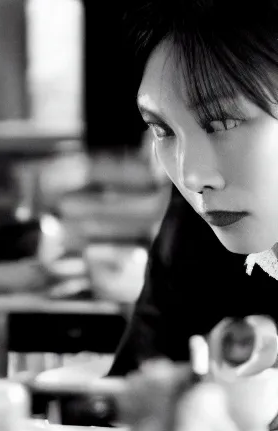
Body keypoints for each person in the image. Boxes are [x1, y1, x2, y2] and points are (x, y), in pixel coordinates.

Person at [108, 0, 278, 377]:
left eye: (221, 123)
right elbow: (136, 388)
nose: (190, 176)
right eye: (163, 130)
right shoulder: (199, 220)